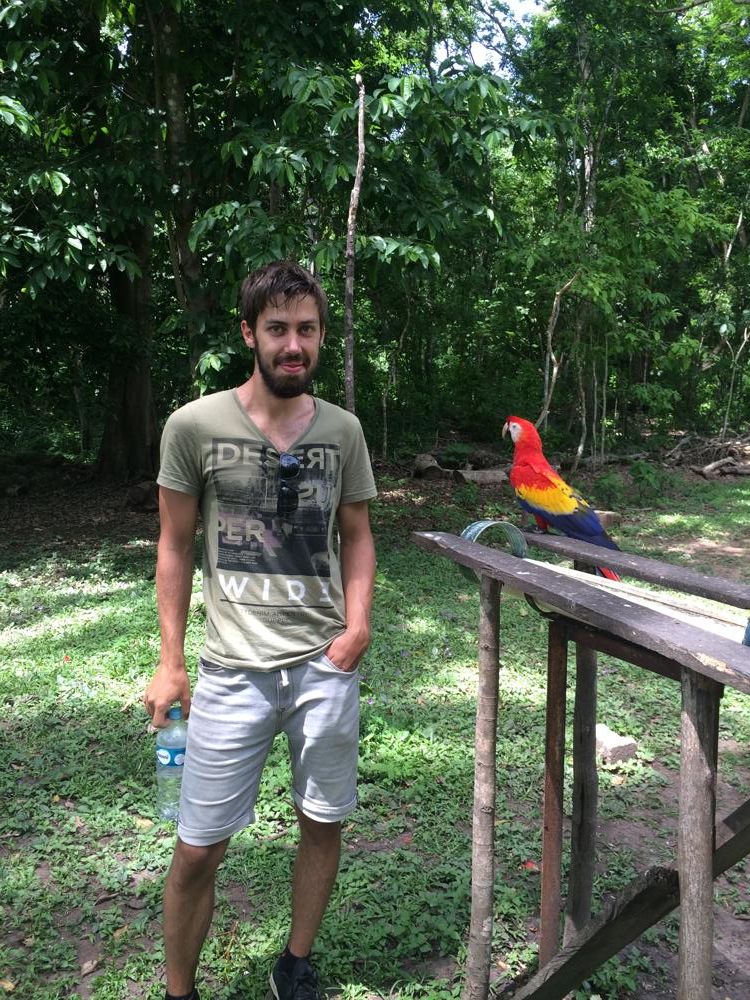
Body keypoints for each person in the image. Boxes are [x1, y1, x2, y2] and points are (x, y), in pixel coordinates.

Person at [143, 260, 377, 1000]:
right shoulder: (195, 425)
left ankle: (295, 962)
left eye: (306, 329)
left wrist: (358, 626)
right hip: (231, 672)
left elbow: (360, 534)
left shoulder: (343, 431)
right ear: (250, 334)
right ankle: (180, 990)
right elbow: (175, 545)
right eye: (277, 329)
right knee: (197, 849)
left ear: (319, 336)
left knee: (322, 819)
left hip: (324, 668)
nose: (293, 345)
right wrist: (170, 662)